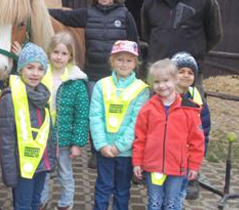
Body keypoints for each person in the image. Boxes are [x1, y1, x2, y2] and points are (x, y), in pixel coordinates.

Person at [49, 0, 139, 168]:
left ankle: (120, 149)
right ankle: (97, 151)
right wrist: (40, 9)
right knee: (95, 113)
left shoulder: (125, 15)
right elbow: (64, 15)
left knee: (121, 113)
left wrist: (134, 73)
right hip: (95, 74)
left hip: (120, 75)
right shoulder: (88, 14)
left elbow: (134, 43)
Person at [141, 0, 222, 88]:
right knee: (156, 110)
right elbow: (146, 33)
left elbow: (215, 35)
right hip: (159, 72)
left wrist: (195, 53)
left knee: (190, 108)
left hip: (188, 74)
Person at [132, 59, 205, 210]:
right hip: (153, 166)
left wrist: (194, 166)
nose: (162, 85)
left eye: (166, 80)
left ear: (176, 79)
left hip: (177, 168)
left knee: (172, 204)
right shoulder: (147, 109)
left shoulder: (189, 110)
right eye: (157, 82)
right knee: (154, 202)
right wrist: (137, 162)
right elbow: (140, 138)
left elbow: (197, 141)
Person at [90, 40, 149, 210]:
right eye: (120, 59)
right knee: (102, 186)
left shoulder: (141, 89)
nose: (124, 64)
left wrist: (119, 146)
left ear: (135, 63)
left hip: (125, 152)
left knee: (122, 190)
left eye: (129, 60)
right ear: (112, 61)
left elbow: (137, 122)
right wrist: (102, 145)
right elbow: (95, 116)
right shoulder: (102, 85)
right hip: (104, 149)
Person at [0, 43, 55, 210]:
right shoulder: (10, 98)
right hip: (22, 166)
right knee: (23, 205)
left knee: (36, 203)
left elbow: (48, 133)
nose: (35, 73)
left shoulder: (44, 95)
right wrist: (9, 173)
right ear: (21, 69)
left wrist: (50, 160)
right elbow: (6, 141)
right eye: (30, 67)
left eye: (40, 69)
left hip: (41, 164)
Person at [39, 32, 89, 210]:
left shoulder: (76, 82)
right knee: (43, 172)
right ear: (49, 53)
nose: (59, 57)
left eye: (64, 53)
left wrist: (77, 143)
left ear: (70, 56)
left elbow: (82, 116)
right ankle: (41, 201)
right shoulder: (40, 76)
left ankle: (65, 204)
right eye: (55, 52)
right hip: (42, 138)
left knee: (65, 173)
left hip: (65, 140)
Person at [171, 51, 211, 203]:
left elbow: (204, 130)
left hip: (187, 156)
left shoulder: (198, 99)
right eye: (181, 72)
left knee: (179, 195)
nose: (186, 75)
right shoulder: (164, 96)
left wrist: (199, 156)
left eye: (190, 72)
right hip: (167, 155)